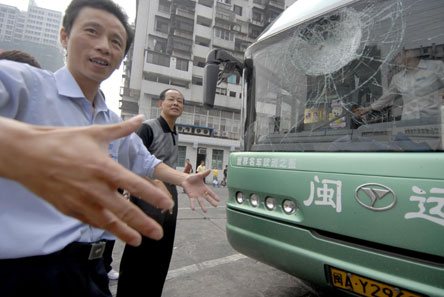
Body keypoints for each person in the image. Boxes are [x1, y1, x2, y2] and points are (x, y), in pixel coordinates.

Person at [0, 1, 219, 296]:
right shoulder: (27, 85)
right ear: (64, 36)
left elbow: (145, 160)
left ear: (120, 59)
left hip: (90, 269)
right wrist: (16, 146)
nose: (104, 46)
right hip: (27, 272)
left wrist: (182, 179)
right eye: (92, 31)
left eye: (116, 41)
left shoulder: (112, 122)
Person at [118, 88, 191, 296]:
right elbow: (133, 162)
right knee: (139, 250)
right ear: (160, 104)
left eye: (180, 101)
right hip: (146, 194)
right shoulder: (147, 128)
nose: (176, 103)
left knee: (162, 251)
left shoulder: (175, 131)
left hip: (169, 194)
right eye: (171, 99)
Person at [355, 49, 444, 121]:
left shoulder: (435, 66)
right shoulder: (397, 78)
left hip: (435, 120)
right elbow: (387, 97)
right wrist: (368, 108)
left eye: (397, 55)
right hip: (410, 122)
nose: (395, 59)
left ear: (409, 53)